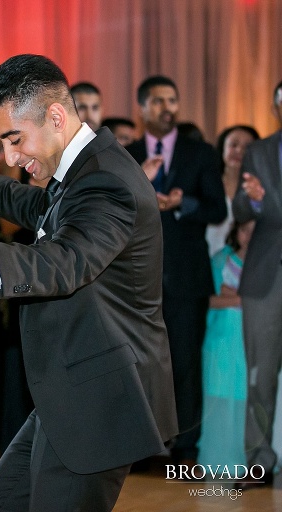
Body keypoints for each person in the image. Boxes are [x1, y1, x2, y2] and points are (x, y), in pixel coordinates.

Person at [0, 54, 178, 511]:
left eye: (15, 139)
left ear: (55, 116)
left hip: (100, 397)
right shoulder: (82, 168)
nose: (12, 156)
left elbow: (67, 260)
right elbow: (36, 209)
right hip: (71, 392)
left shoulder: (107, 182)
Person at [126, 76, 226, 466]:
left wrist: (183, 205)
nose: (168, 107)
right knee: (139, 363)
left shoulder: (200, 152)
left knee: (184, 362)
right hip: (136, 279)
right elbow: (112, 208)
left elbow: (216, 208)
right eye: (159, 100)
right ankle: (140, 449)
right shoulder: (127, 153)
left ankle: (185, 451)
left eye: (173, 100)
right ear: (143, 107)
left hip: (186, 276)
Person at [233, 79, 282, 489]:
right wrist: (252, 199)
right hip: (266, 278)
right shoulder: (259, 150)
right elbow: (238, 209)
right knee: (259, 376)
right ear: (274, 105)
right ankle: (259, 462)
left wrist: (270, 202)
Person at [197, 219, 255, 480]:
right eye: (245, 229)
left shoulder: (268, 266)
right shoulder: (222, 260)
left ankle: (248, 463)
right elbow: (208, 299)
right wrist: (244, 298)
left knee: (247, 403)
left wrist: (237, 297)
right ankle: (217, 461)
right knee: (218, 401)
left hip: (249, 346)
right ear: (237, 231)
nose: (250, 236)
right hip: (221, 343)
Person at [205, 125, 259, 257]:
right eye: (233, 145)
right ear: (222, 148)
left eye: (246, 147)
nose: (239, 151)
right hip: (206, 261)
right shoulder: (207, 184)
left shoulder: (257, 190)